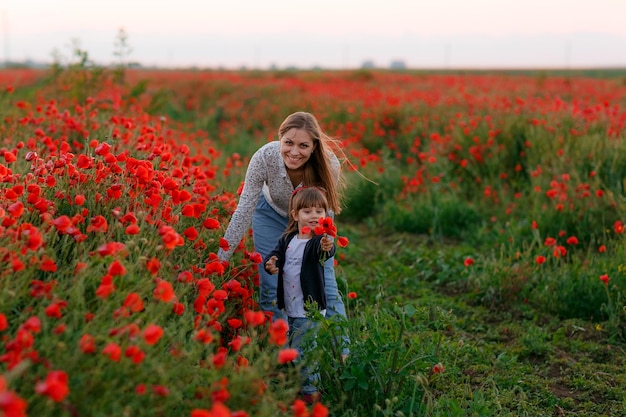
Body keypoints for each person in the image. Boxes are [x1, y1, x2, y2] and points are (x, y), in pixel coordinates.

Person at [217, 111, 347, 324]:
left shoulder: (329, 164)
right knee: (271, 282)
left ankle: (342, 352)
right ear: (280, 139)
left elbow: (326, 210)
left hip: (310, 220)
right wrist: (221, 259)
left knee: (326, 285)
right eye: (288, 143)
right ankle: (281, 350)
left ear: (314, 146)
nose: (294, 152)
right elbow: (244, 210)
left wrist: (325, 246)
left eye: (303, 146)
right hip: (270, 214)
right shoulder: (264, 157)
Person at [263, 186, 335, 403]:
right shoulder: (289, 239)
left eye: (319, 211)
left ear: (325, 215)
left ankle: (310, 391)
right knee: (297, 346)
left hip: (310, 307)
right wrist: (271, 263)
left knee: (303, 349)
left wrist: (326, 243)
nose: (314, 215)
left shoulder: (317, 242)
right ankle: (304, 383)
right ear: (295, 215)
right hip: (291, 305)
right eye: (307, 211)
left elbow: (327, 250)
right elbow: (276, 255)